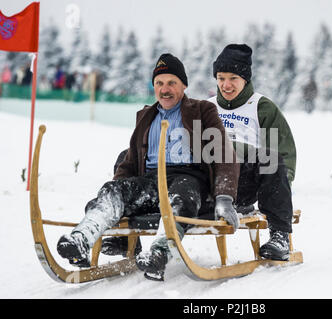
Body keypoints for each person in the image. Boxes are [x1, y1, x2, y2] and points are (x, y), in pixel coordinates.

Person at [56, 53, 240, 281]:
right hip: (151, 180)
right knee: (112, 190)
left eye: (172, 83)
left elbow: (224, 152)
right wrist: (117, 191)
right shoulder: (146, 116)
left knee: (181, 197)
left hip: (189, 178)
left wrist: (224, 197)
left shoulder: (202, 110)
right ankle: (81, 239)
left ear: (183, 85)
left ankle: (159, 253)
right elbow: (131, 161)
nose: (165, 89)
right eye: (159, 83)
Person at [208, 44, 297, 261]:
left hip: (245, 185)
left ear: (245, 79)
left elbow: (281, 157)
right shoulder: (206, 107)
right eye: (221, 78)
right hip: (210, 184)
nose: (226, 85)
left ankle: (279, 236)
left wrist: (280, 190)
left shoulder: (262, 108)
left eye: (233, 78)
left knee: (270, 158)